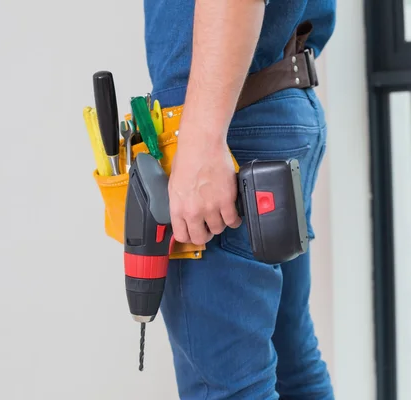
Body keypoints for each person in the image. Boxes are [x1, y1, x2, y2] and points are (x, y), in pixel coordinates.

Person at [145, 0, 336, 398]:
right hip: (276, 103)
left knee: (229, 387)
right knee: (291, 362)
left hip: (232, 130)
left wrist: (200, 144)